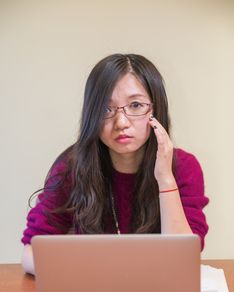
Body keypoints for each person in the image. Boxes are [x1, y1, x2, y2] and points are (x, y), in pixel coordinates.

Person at [21, 53, 209, 275]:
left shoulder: (184, 167)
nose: (121, 122)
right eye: (105, 109)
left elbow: (182, 262)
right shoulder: (71, 166)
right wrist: (95, 272)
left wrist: (165, 178)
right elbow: (31, 253)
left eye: (136, 105)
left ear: (155, 110)